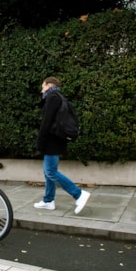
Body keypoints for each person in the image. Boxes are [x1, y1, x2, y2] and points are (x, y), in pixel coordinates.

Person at [34, 76, 90, 214]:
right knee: (48, 172)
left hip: (52, 140)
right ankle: (48, 201)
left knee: (51, 171)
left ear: (48, 84)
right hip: (55, 139)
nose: (41, 90)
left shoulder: (53, 97)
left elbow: (46, 122)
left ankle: (78, 194)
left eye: (43, 86)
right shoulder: (58, 96)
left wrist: (40, 141)